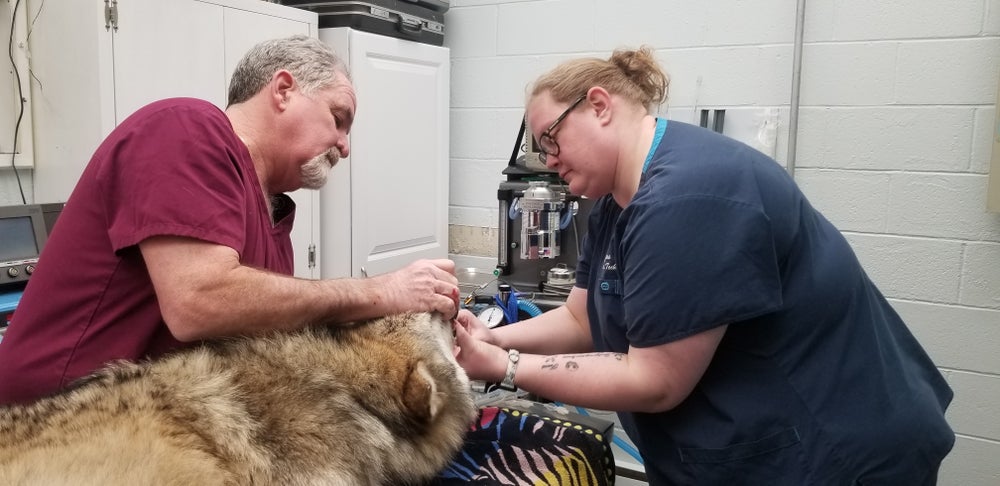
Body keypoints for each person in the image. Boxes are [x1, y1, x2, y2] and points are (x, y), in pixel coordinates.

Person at [452, 46, 955, 485]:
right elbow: (582, 319)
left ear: (600, 106)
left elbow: (654, 380)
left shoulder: (687, 196)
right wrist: (494, 339)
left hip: (832, 450)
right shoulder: (613, 205)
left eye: (551, 140)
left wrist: (507, 367)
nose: (549, 160)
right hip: (740, 450)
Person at [0, 35, 459, 405]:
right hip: (53, 425)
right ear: (283, 90)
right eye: (338, 119)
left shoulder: (274, 215)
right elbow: (198, 302)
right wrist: (381, 291)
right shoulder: (183, 129)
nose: (344, 146)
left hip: (148, 423)